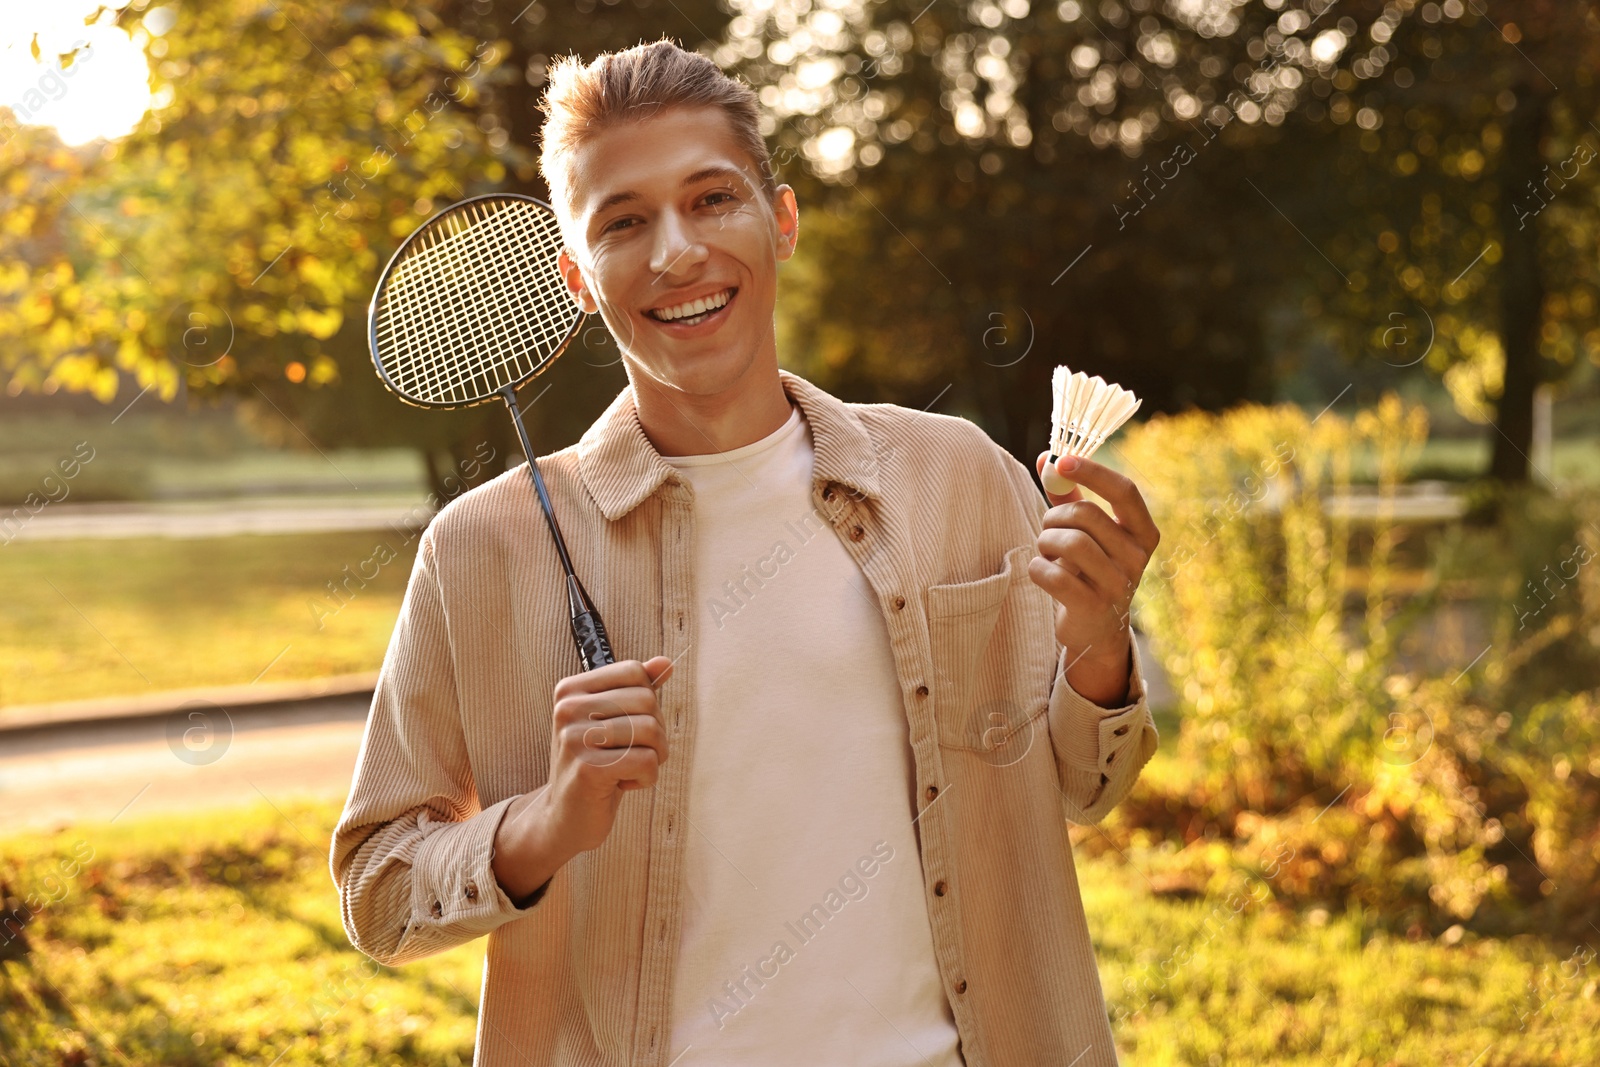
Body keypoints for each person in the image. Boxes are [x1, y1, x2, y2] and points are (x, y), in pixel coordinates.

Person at [331, 38, 1161, 1067]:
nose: (676, 252)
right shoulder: (481, 551)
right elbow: (378, 891)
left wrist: (1096, 649)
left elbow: (1084, 787)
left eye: (712, 199)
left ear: (781, 219)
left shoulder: (958, 478)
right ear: (577, 278)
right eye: (623, 222)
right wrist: (543, 822)